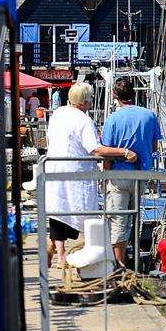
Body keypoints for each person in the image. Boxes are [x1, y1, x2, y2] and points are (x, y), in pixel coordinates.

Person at [44, 82, 132, 271]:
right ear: (84, 101)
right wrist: (123, 152)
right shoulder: (84, 120)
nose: (91, 102)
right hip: (77, 171)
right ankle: (70, 254)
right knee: (82, 212)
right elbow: (95, 148)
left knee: (59, 211)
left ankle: (58, 252)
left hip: (55, 167)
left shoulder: (58, 113)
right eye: (90, 98)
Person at [101, 79, 162, 269]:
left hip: (118, 175)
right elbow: (153, 146)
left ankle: (119, 264)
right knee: (134, 218)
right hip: (141, 174)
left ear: (115, 96)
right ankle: (132, 260)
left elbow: (106, 151)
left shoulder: (112, 119)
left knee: (118, 220)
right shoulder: (149, 116)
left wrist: (106, 174)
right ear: (134, 95)